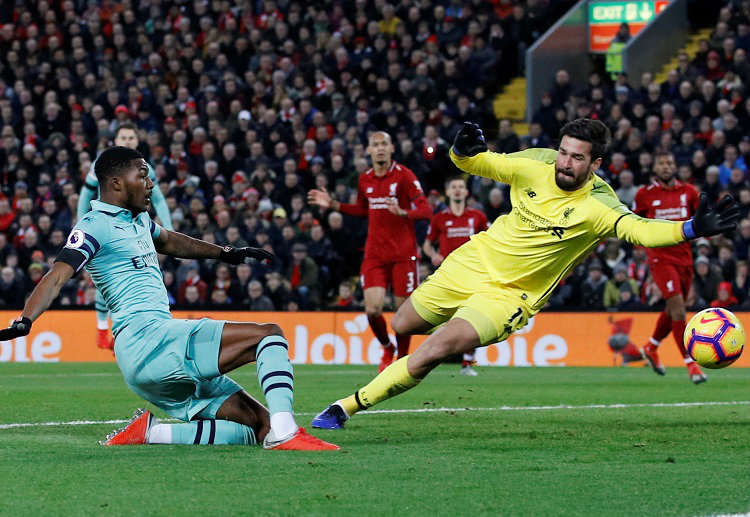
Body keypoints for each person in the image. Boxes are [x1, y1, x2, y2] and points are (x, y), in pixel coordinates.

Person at [310, 119, 740, 430]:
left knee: (432, 350)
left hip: (509, 295)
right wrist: (459, 150)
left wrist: (691, 229)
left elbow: (641, 230)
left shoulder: (599, 205)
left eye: (577, 158)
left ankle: (346, 407)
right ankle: (392, 371)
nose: (565, 163)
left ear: (596, 164)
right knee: (403, 322)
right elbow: (476, 164)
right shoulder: (535, 162)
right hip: (472, 261)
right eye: (564, 152)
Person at [0, 147, 337, 450]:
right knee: (269, 335)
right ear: (116, 183)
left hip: (150, 356)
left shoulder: (139, 219)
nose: (150, 184)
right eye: (143, 175)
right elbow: (58, 274)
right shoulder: (94, 225)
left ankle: (152, 433)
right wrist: (26, 318)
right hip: (149, 341)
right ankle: (287, 433)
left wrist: (226, 253)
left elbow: (171, 242)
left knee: (258, 427)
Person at [308, 131, 432, 371]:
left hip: (403, 255)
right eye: (375, 145)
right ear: (369, 150)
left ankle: (401, 362)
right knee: (373, 309)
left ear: (392, 148)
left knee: (401, 315)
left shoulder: (405, 176)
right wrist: (334, 204)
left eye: (385, 143)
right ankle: (387, 346)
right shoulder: (364, 179)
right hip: (374, 254)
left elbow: (426, 211)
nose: (380, 148)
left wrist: (404, 212)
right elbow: (363, 209)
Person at [77, 123, 174, 351]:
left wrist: (168, 230)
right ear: (116, 139)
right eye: (124, 137)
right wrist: (80, 224)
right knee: (107, 281)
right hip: (108, 228)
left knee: (137, 278)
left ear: (137, 141)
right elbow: (84, 195)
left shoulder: (144, 167)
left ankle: (124, 330)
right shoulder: (100, 165)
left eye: (131, 137)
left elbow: (158, 199)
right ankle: (103, 328)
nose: (127, 140)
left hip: (134, 228)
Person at [632, 151, 707, 384]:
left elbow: (702, 219)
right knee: (679, 310)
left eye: (669, 162)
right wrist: (640, 244)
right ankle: (690, 363)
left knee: (674, 309)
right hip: (659, 258)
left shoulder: (689, 192)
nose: (666, 166)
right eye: (661, 163)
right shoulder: (645, 194)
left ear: (675, 167)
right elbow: (633, 221)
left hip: (685, 258)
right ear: (654, 168)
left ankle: (651, 346)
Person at [422, 175, 490, 376]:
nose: (458, 190)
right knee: (443, 318)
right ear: (448, 192)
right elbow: (427, 244)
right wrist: (433, 254)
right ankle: (433, 356)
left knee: (472, 317)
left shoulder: (477, 216)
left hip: (473, 273)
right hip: (447, 275)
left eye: (461, 186)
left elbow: (489, 240)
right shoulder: (439, 218)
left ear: (466, 192)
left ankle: (467, 363)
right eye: (454, 187)